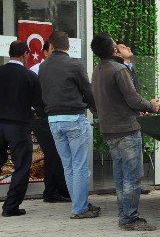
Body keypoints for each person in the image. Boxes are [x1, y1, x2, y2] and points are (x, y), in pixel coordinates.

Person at [91, 33, 160, 231]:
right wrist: (152, 106)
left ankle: (124, 213)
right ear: (113, 49)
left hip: (109, 130)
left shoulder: (98, 70)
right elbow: (133, 100)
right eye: (117, 44)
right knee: (132, 175)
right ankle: (129, 218)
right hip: (126, 128)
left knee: (121, 174)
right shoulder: (119, 70)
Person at [39, 31, 99, 219]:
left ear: (51, 46)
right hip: (73, 118)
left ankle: (78, 204)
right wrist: (96, 109)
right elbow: (88, 91)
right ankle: (79, 208)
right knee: (80, 165)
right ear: (68, 46)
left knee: (68, 166)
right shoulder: (74, 64)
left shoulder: (43, 66)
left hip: (53, 120)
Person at [0, 41, 43, 217]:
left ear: (10, 53)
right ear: (25, 54)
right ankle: (10, 206)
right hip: (19, 126)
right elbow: (39, 104)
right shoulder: (29, 76)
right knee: (22, 166)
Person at [30, 41, 71, 203]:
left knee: (53, 155)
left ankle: (51, 191)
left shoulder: (54, 69)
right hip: (41, 118)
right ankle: (56, 191)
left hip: (53, 116)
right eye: (52, 51)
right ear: (45, 52)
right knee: (54, 154)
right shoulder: (36, 70)